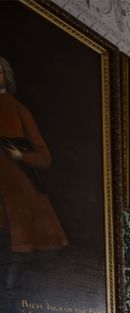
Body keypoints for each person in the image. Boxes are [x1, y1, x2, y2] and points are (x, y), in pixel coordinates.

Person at [0, 56, 68, 260]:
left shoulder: (20, 110)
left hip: (16, 196)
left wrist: (20, 155)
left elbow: (45, 158)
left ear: (6, 75)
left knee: (12, 255)